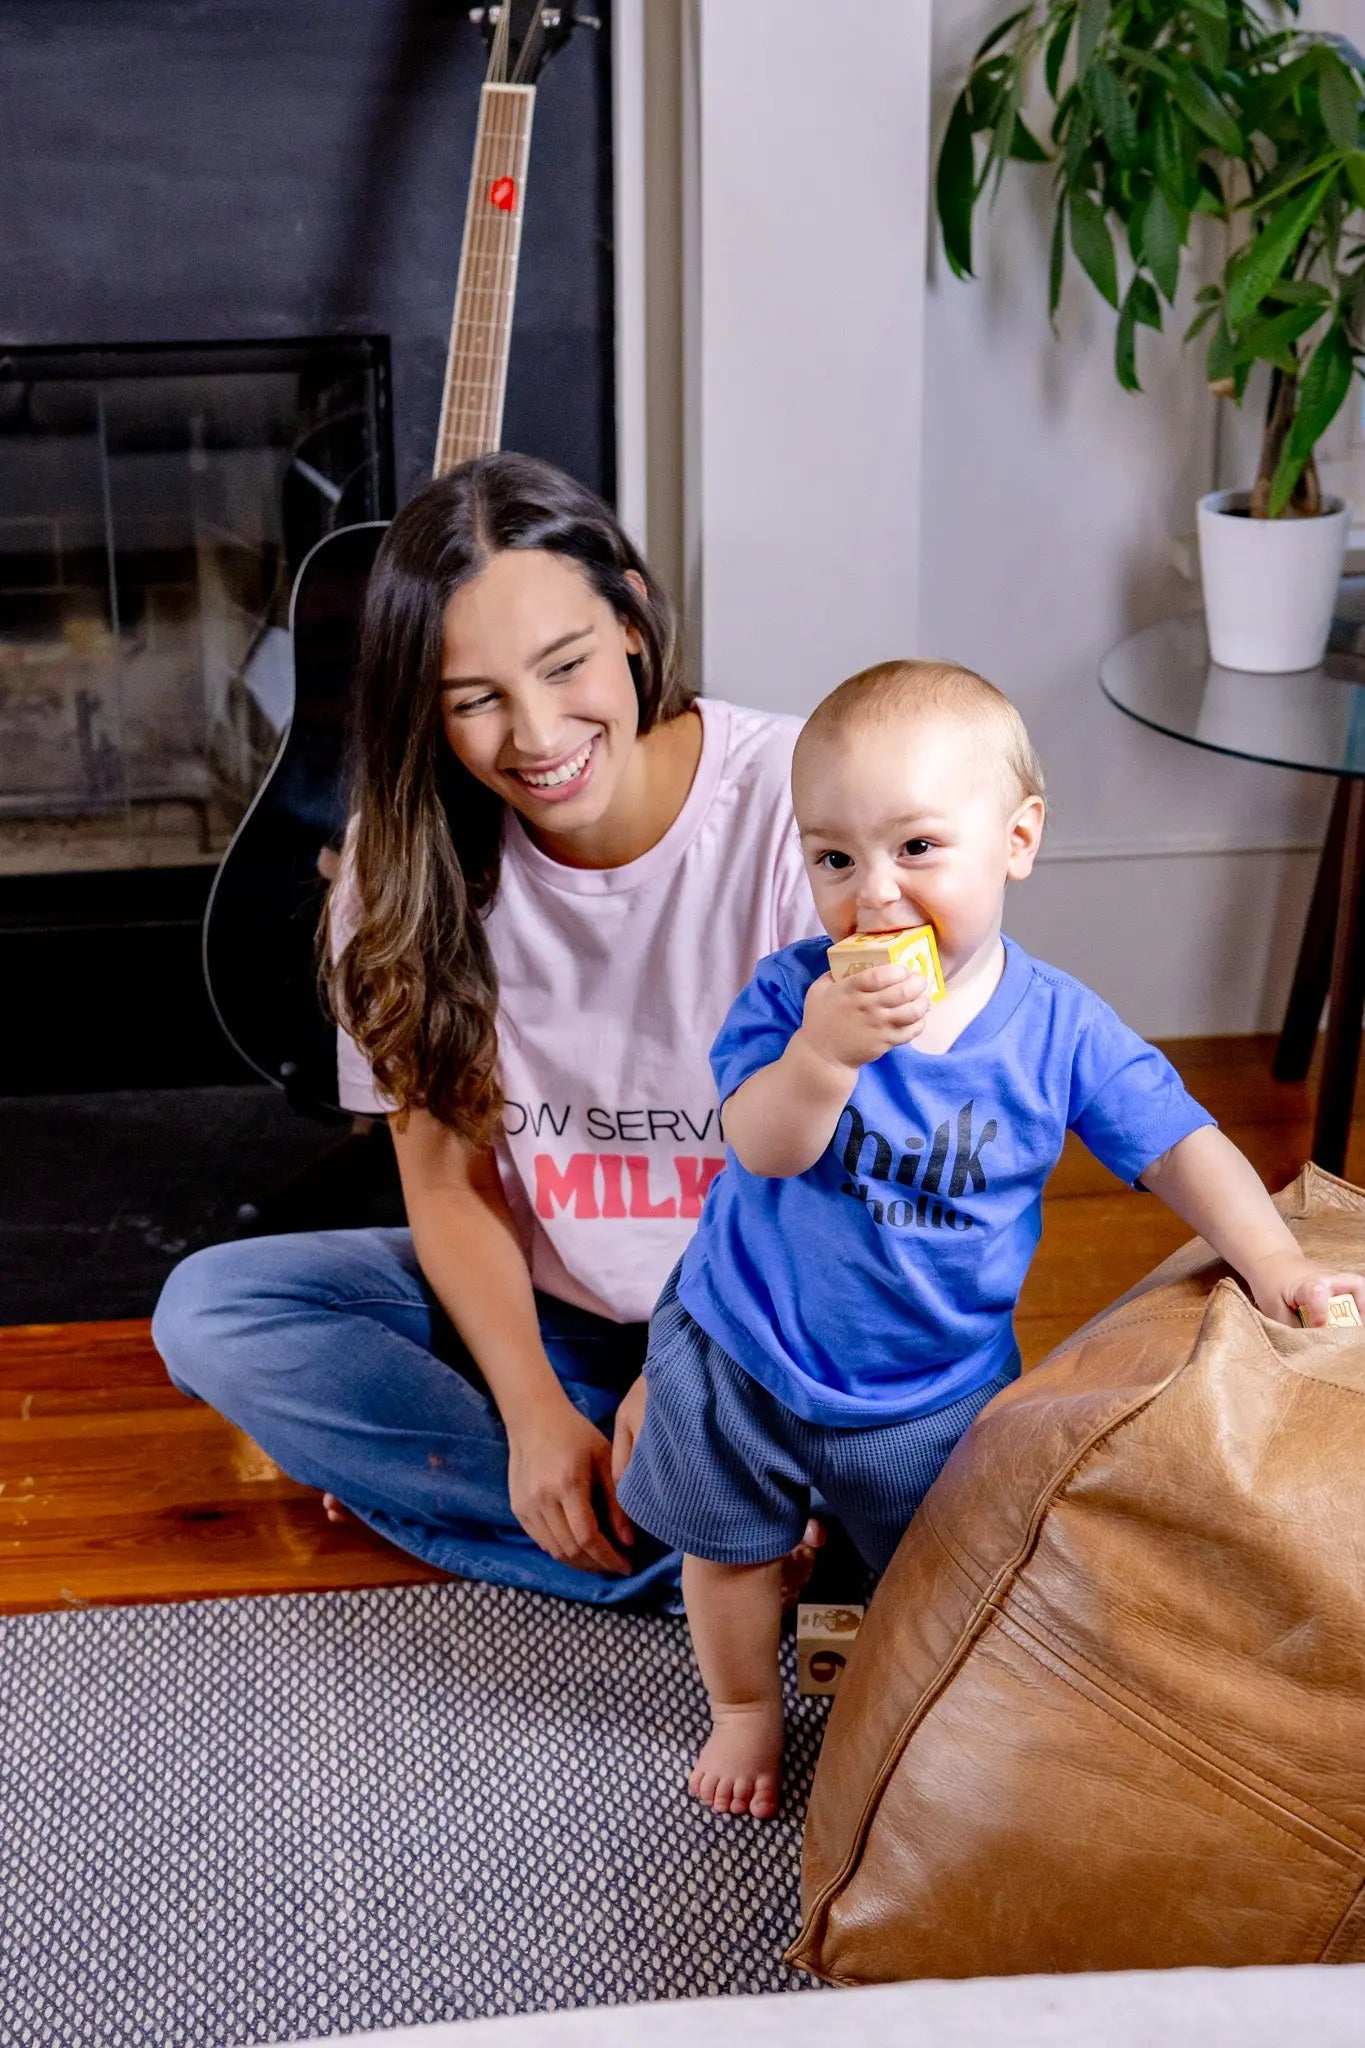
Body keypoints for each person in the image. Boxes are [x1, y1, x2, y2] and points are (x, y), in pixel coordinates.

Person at [617, 657, 1365, 1818]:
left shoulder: (1058, 1028)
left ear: (1017, 839)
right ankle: (744, 1705)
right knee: (726, 1552)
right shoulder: (793, 995)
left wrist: (1273, 1257)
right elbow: (760, 1144)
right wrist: (822, 1055)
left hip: (930, 1386)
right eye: (835, 858)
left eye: (918, 849)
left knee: (936, 1574)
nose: (875, 894)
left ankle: (858, 1604)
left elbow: (1178, 1140)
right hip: (743, 1345)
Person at [152, 452, 823, 1609]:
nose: (536, 733)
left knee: (891, 1420)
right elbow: (449, 1182)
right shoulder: (402, 862)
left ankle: (500, 1508)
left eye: (565, 666)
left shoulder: (803, 804)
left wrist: (700, 1358)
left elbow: (865, 1178)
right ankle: (715, 1557)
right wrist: (529, 1412)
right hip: (560, 1313)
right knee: (213, 1313)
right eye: (474, 700)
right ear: (427, 704)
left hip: (771, 1313)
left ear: (632, 616)